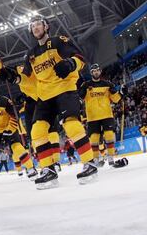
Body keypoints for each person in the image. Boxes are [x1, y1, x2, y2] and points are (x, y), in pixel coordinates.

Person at [21, 16, 97, 189]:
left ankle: (90, 164)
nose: (35, 28)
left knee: (71, 125)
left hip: (65, 88)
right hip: (45, 95)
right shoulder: (31, 54)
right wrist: (9, 75)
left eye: (38, 24)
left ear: (46, 26)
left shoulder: (58, 41)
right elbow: (26, 79)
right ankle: (48, 170)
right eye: (32, 26)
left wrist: (70, 64)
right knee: (37, 130)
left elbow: (80, 57)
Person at [78, 64, 126, 168]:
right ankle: (95, 160)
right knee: (94, 139)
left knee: (109, 135)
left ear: (100, 71)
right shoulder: (86, 85)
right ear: (91, 73)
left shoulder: (108, 84)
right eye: (94, 71)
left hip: (107, 115)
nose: (96, 72)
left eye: (97, 70)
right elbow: (80, 98)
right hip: (92, 117)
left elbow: (115, 99)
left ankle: (111, 158)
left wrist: (121, 93)